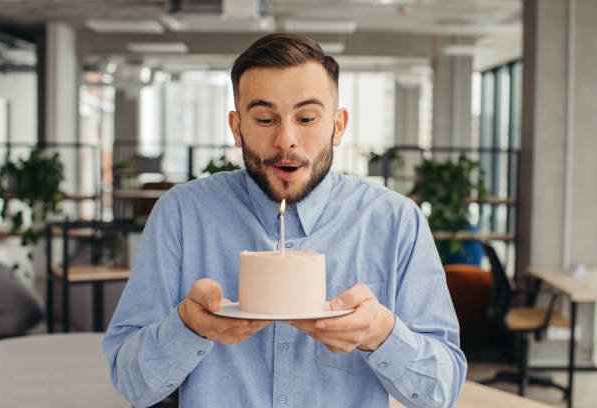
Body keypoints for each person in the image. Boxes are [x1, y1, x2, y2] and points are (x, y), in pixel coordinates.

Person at [103, 33, 466, 408]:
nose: (286, 139)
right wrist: (188, 327)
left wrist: (381, 334)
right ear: (237, 127)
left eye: (307, 117)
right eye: (264, 118)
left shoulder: (395, 222)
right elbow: (133, 385)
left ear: (338, 126)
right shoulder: (181, 214)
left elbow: (441, 392)